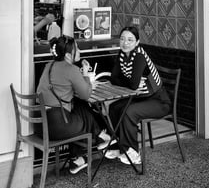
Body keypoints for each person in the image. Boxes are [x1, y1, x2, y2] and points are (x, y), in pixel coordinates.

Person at [99, 26, 171, 165]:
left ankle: (132, 151)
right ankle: (120, 148)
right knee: (114, 108)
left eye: (130, 40)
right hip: (140, 97)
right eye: (122, 39)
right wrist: (125, 80)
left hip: (159, 101)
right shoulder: (122, 54)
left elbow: (132, 84)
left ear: (137, 42)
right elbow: (113, 78)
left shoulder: (139, 56)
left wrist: (123, 81)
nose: (125, 43)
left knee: (129, 112)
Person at [36, 35, 108, 174]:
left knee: (79, 107)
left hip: (40, 124)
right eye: (77, 48)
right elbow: (86, 94)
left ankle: (80, 157)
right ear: (68, 55)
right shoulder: (71, 69)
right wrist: (86, 74)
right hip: (57, 126)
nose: (80, 51)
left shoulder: (48, 66)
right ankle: (100, 136)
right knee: (83, 109)